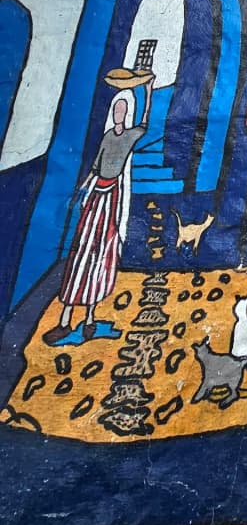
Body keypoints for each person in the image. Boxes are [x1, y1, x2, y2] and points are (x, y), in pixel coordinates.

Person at [43, 77, 152, 345]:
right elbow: (95, 168)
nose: (119, 114)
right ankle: (66, 320)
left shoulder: (128, 137)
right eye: (116, 109)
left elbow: (145, 124)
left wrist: (147, 92)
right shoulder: (107, 138)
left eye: (123, 110)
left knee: (103, 254)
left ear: (128, 114)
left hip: (111, 199)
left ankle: (90, 318)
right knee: (81, 253)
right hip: (96, 198)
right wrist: (81, 190)